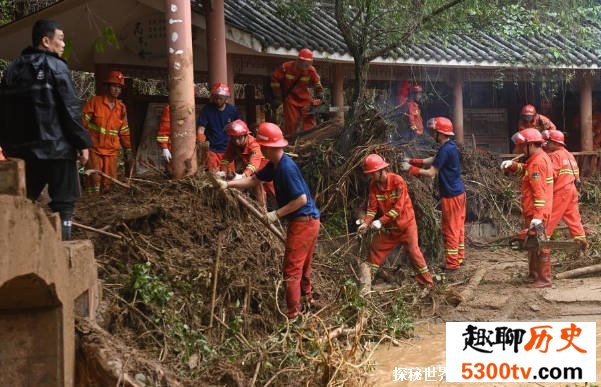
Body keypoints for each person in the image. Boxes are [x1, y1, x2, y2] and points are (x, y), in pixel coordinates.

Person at [0, 19, 93, 240]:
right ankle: (63, 248)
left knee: (25, 198)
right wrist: (82, 142)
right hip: (58, 150)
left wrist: (8, 146)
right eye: (60, 39)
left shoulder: (13, 69)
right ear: (46, 41)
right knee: (64, 201)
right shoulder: (57, 66)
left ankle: (21, 246)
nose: (63, 45)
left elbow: (3, 112)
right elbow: (70, 108)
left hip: (23, 152)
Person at [218, 122, 320, 321]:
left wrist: (276, 214)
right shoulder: (275, 164)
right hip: (309, 221)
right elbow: (253, 180)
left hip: (304, 222)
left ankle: (293, 316)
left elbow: (301, 199)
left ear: (268, 147)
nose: (261, 148)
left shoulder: (286, 168)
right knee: (303, 266)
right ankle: (309, 301)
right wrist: (228, 184)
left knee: (291, 269)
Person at [357, 154, 433, 292]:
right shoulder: (373, 186)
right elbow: (372, 209)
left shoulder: (398, 181)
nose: (371, 177)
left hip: (406, 226)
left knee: (414, 253)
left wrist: (380, 221)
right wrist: (366, 223)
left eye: (372, 173)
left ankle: (427, 285)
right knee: (376, 247)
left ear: (381, 171)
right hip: (391, 228)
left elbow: (398, 208)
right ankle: (367, 282)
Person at [402, 117, 466, 270]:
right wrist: (411, 160)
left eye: (434, 132)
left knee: (451, 228)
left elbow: (431, 172)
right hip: (459, 193)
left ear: (441, 133)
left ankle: (452, 264)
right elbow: (432, 159)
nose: (432, 135)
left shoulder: (446, 149)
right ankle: (459, 258)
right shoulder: (449, 146)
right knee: (458, 227)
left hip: (451, 195)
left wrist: (409, 169)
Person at [501, 128, 554, 288]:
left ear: (531, 145)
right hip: (534, 211)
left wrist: (538, 217)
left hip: (538, 212)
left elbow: (539, 194)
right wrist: (513, 165)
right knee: (532, 243)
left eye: (523, 146)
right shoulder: (536, 159)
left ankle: (544, 279)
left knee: (541, 244)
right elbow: (526, 170)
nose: (521, 149)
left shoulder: (537, 162)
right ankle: (534, 274)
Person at [82, 70, 132, 193]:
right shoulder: (95, 102)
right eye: (114, 86)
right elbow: (82, 124)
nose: (117, 90)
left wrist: (128, 149)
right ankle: (91, 205)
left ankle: (106, 210)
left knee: (109, 182)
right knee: (95, 180)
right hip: (94, 149)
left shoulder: (121, 108)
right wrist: (80, 145)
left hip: (112, 151)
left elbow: (124, 130)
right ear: (108, 87)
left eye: (119, 87)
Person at [541, 130, 588, 247]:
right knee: (573, 217)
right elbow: (576, 175)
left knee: (551, 215)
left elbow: (551, 174)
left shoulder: (555, 155)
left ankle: (541, 241)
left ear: (555, 143)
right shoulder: (569, 155)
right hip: (572, 190)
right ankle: (581, 241)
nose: (546, 143)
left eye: (549, 141)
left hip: (561, 191)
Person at [219, 119, 275, 207]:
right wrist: (223, 172)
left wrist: (242, 176)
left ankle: (267, 211)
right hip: (253, 172)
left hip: (266, 169)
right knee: (255, 187)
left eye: (239, 138)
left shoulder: (254, 145)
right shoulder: (233, 143)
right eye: (234, 138)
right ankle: (261, 208)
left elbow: (253, 165)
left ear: (246, 135)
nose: (236, 141)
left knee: (273, 192)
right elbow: (226, 158)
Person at [270, 48, 324, 136]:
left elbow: (317, 82)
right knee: (291, 122)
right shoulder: (286, 67)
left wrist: (320, 92)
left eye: (309, 63)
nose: (307, 65)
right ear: (299, 60)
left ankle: (310, 138)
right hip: (290, 99)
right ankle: (290, 140)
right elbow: (274, 80)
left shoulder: (311, 70)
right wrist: (278, 96)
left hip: (305, 98)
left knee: (309, 118)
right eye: (305, 62)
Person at [197, 83, 239, 171]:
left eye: (221, 98)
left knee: (229, 176)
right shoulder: (207, 109)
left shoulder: (232, 110)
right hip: (212, 150)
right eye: (216, 98)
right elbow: (201, 129)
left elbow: (238, 128)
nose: (218, 100)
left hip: (228, 151)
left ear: (226, 98)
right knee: (213, 176)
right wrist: (201, 144)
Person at [156, 104, 173, 172]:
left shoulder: (190, 106)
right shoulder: (170, 108)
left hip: (188, 145)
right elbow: (164, 130)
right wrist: (165, 148)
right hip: (173, 146)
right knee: (172, 170)